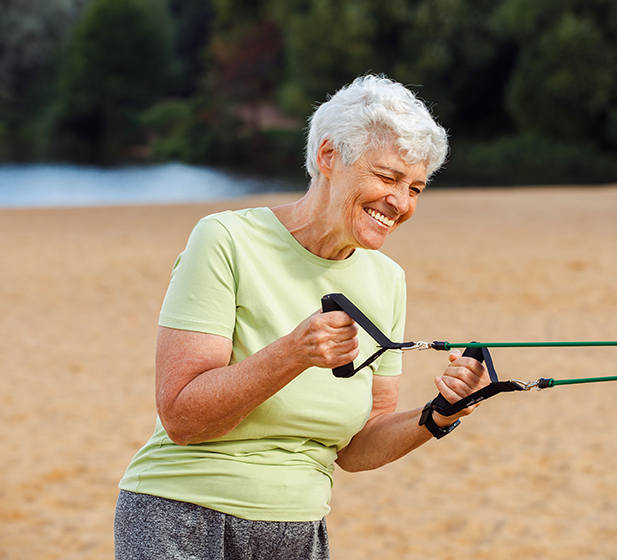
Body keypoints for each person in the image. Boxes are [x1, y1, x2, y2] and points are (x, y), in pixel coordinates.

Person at [114, 74, 492, 560]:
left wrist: (440, 414)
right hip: (183, 517)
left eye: (415, 187)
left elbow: (358, 447)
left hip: (299, 531)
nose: (400, 203)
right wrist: (294, 353)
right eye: (387, 177)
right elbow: (182, 418)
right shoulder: (225, 240)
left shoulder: (388, 280)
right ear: (328, 156)